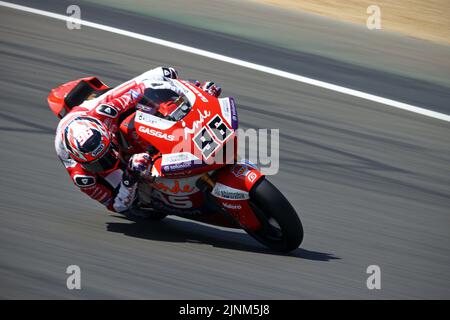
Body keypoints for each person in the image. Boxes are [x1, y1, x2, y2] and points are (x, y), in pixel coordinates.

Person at [54, 66, 221, 216]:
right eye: (97, 163)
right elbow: (116, 205)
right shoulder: (82, 176)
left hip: (97, 112)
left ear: (106, 133)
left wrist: (196, 91)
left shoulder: (105, 111)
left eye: (107, 154)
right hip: (120, 171)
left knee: (161, 79)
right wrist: (129, 177)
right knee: (132, 197)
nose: (107, 162)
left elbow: (141, 86)